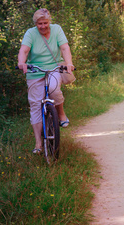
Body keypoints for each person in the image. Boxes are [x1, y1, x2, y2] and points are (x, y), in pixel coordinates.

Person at [17, 8, 75, 154]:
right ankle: (38, 143)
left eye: (45, 23)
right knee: (35, 105)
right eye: (39, 24)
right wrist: (21, 62)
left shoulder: (57, 30)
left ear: (49, 21)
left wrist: (68, 63)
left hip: (54, 68)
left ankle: (60, 113)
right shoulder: (30, 33)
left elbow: (64, 47)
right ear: (35, 23)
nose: (43, 26)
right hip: (34, 71)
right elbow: (24, 50)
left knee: (54, 90)